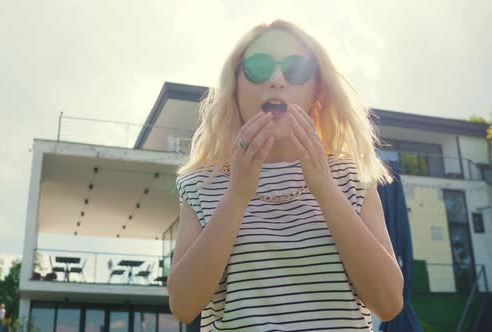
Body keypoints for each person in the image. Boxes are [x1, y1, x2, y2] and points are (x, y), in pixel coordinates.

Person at [167, 19, 404, 331]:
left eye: (296, 69)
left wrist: (324, 187)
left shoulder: (351, 176)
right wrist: (237, 195)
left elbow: (387, 303)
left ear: (317, 91)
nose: (277, 79)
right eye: (259, 66)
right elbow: (184, 306)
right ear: (236, 84)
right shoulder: (202, 183)